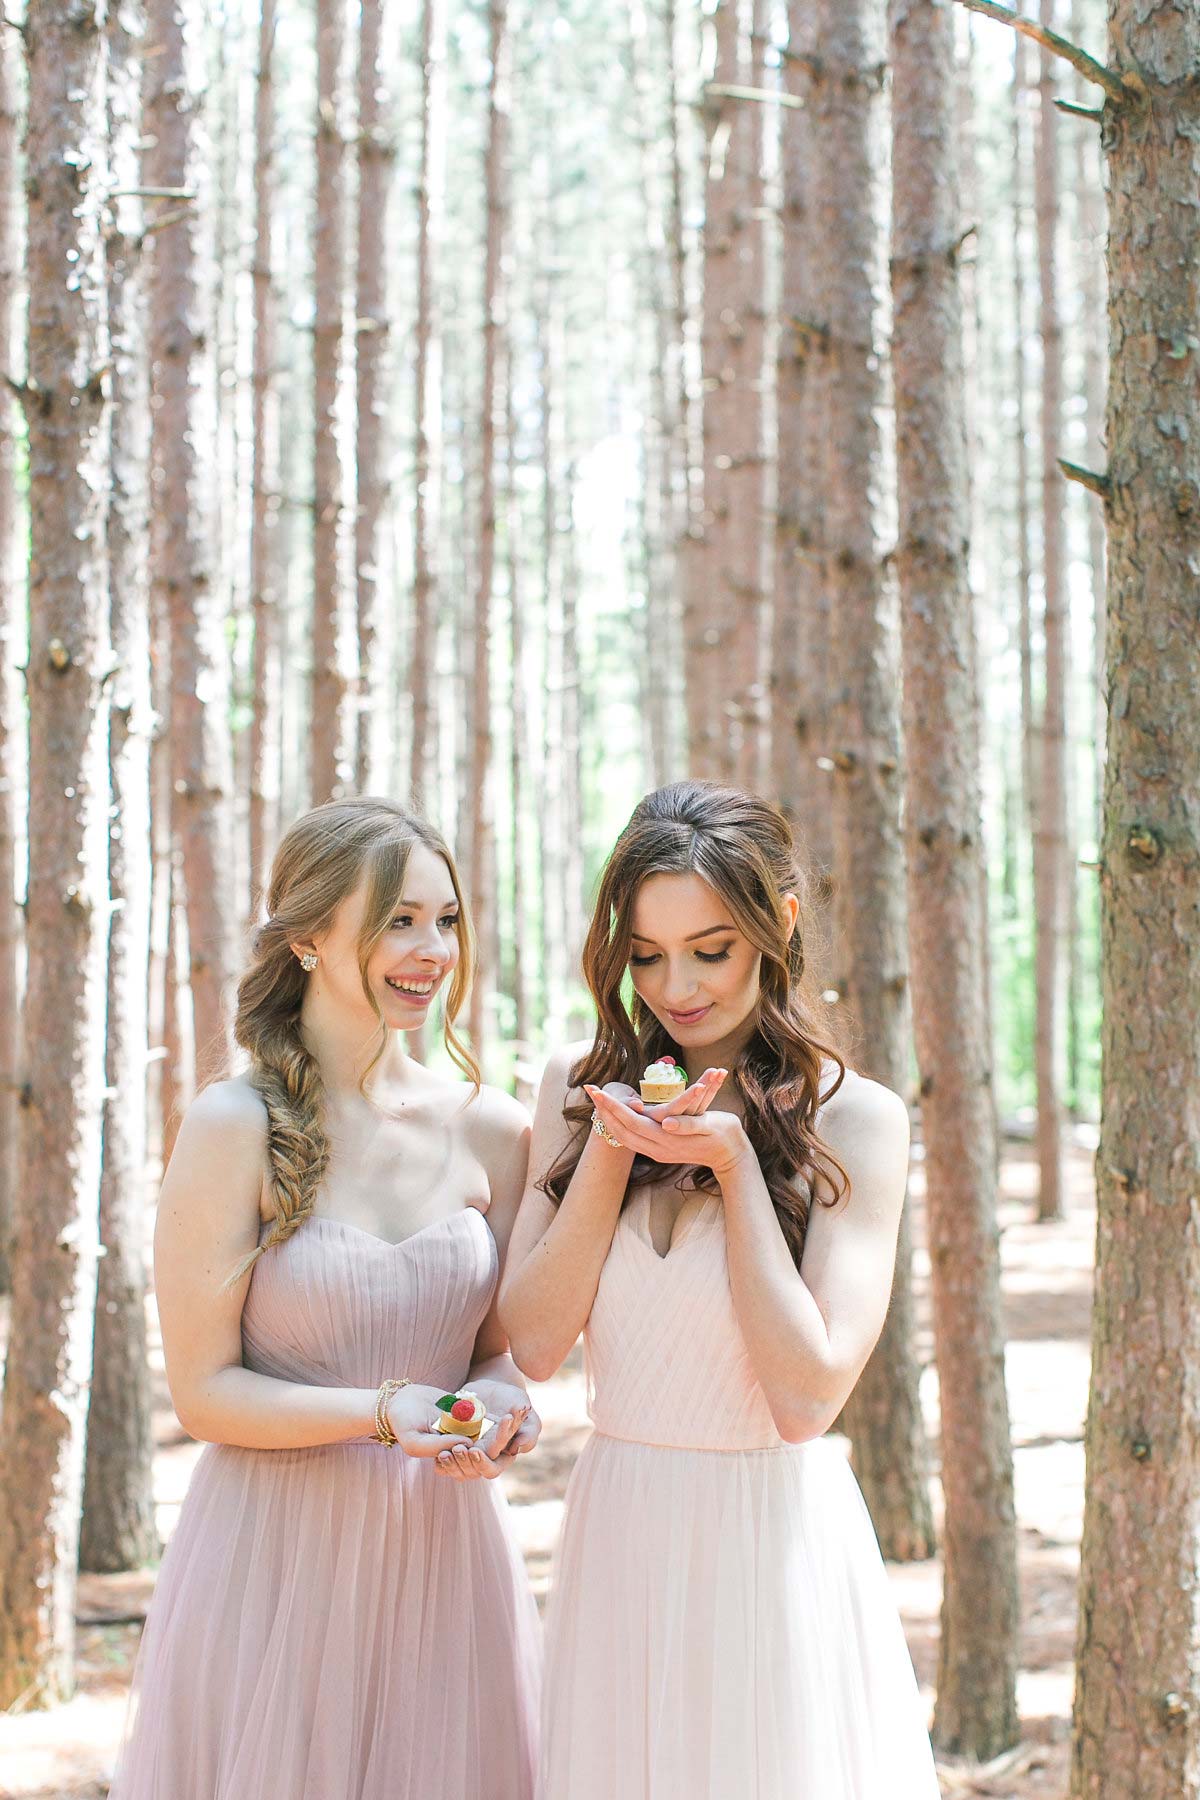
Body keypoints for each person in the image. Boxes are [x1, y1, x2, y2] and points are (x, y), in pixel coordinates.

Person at [500, 779, 940, 1800]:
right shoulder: (577, 1088)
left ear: (777, 925)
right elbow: (530, 1344)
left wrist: (740, 1170)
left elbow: (804, 1400)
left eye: (712, 948)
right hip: (620, 1533)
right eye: (646, 955)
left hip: (769, 1542)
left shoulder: (857, 1122)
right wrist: (610, 1152)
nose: (677, 987)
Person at [110, 797, 541, 1800]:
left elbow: (496, 1356)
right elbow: (204, 1392)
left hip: (445, 1565)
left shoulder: (491, 1130)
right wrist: (387, 1414)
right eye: (397, 918)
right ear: (307, 935)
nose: (432, 948)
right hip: (272, 1565)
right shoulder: (232, 1126)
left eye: (445, 919)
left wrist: (504, 1408)